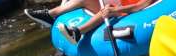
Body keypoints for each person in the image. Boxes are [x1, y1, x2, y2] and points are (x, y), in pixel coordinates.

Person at [25, 0, 156, 41]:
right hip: (122, 8)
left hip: (136, 14)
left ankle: (78, 32)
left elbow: (140, 6)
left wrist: (115, 10)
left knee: (108, 8)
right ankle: (50, 15)